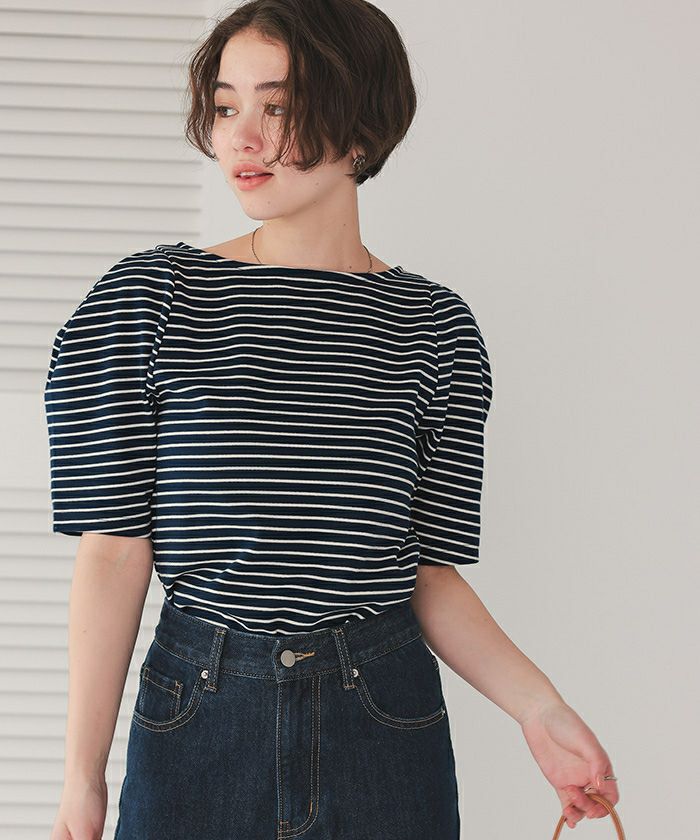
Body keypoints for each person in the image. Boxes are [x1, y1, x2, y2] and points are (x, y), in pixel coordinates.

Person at [46, 2, 620, 838]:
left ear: (360, 121)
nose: (242, 137)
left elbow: (426, 574)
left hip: (382, 720)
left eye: (277, 106)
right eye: (225, 106)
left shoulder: (435, 329)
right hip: (198, 718)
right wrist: (81, 778)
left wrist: (541, 709)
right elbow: (112, 550)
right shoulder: (152, 303)